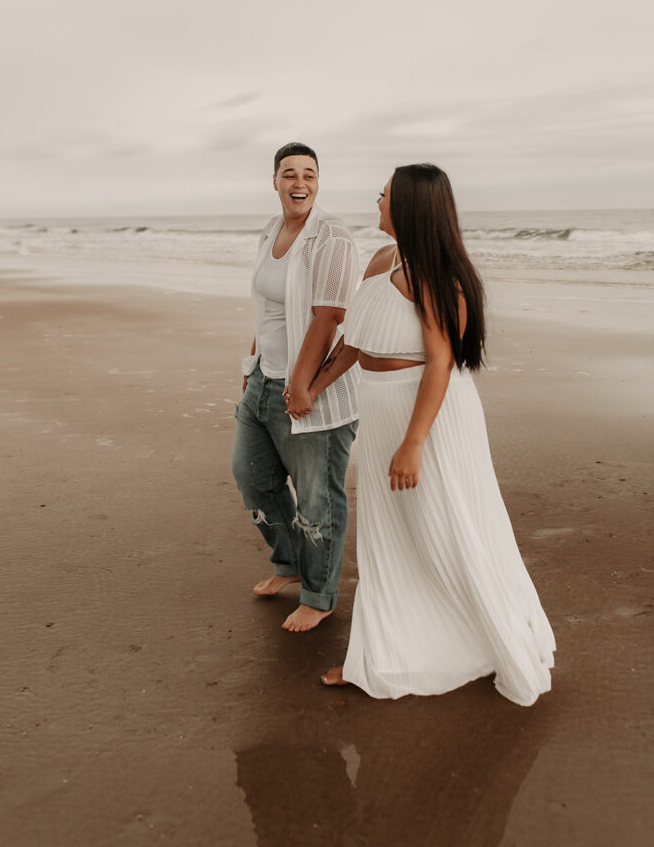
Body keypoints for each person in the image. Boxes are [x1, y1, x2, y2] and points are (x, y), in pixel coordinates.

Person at [309, 163, 555, 704]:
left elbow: (441, 362)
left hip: (427, 414)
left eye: (385, 194)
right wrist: (314, 385)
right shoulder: (382, 261)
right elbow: (358, 341)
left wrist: (415, 441)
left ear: (411, 208)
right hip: (381, 411)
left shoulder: (439, 279)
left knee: (449, 526)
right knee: (390, 532)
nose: (377, 200)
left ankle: (460, 640)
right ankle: (384, 651)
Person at [231, 142, 360, 632]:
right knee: (252, 477)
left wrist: (302, 383)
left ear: (319, 181)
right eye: (289, 174)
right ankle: (287, 564)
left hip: (311, 391)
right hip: (263, 378)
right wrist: (254, 360)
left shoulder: (332, 237)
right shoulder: (272, 230)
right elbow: (269, 308)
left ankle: (319, 594)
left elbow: (329, 315)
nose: (299, 183)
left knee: (317, 498)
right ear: (275, 181)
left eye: (308, 174)